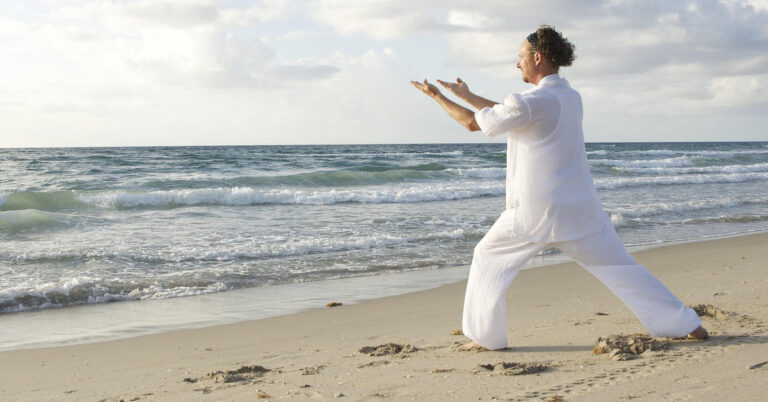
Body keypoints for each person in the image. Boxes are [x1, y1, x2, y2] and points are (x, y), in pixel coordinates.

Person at [410, 25, 708, 351]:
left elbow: (473, 123)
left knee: (487, 257)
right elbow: (515, 112)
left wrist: (437, 96)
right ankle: (685, 324)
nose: (517, 63)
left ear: (537, 57)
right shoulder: (567, 96)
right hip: (582, 211)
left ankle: (486, 338)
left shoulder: (530, 102)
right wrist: (467, 95)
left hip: (536, 213)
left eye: (521, 57)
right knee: (621, 268)